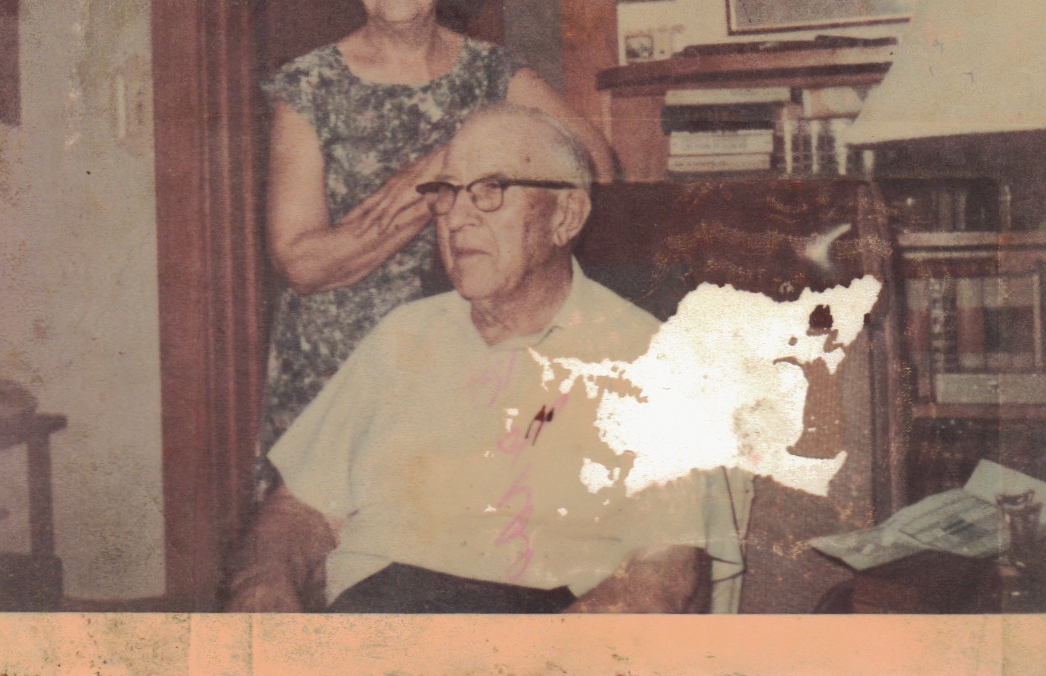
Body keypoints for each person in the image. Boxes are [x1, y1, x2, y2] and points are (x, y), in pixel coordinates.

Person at [227, 105, 724, 613]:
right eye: (447, 193)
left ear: (566, 216)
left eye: (490, 190)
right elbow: (301, 508)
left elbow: (663, 572)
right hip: (372, 620)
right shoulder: (403, 336)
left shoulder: (648, 359)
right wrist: (262, 586)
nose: (455, 218)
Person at [259, 0, 614, 474]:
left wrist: (450, 164)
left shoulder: (493, 73)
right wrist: (443, 194)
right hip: (341, 360)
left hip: (471, 352)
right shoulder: (308, 85)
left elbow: (595, 162)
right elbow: (302, 263)